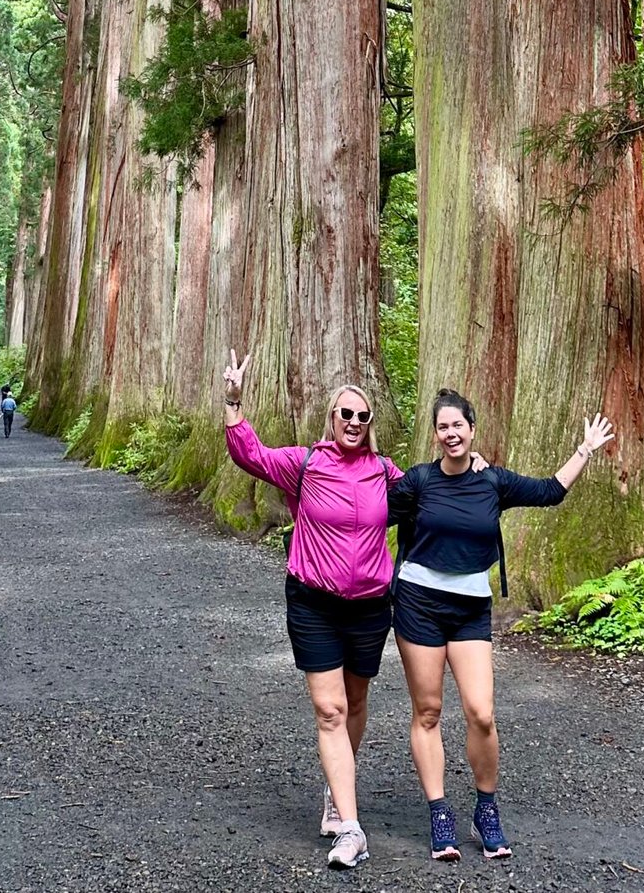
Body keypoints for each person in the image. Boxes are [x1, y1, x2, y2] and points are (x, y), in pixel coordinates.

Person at [388, 389, 614, 863]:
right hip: (418, 603)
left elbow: (550, 492)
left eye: (458, 426)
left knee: (481, 712)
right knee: (427, 711)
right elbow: (369, 511)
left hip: (470, 606)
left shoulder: (493, 482)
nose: (451, 434)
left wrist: (585, 449)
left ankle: (485, 808)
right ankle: (438, 812)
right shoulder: (418, 482)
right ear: (436, 434)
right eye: (443, 427)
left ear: (472, 429)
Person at [223, 350, 400, 871]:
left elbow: (430, 494)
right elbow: (249, 454)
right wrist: (234, 401)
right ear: (332, 418)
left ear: (370, 425)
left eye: (362, 416)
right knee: (330, 710)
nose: (353, 422)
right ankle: (351, 826)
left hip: (370, 606)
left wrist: (470, 466)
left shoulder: (386, 474)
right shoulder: (306, 463)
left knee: (356, 698)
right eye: (346, 413)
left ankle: (334, 787)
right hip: (314, 603)